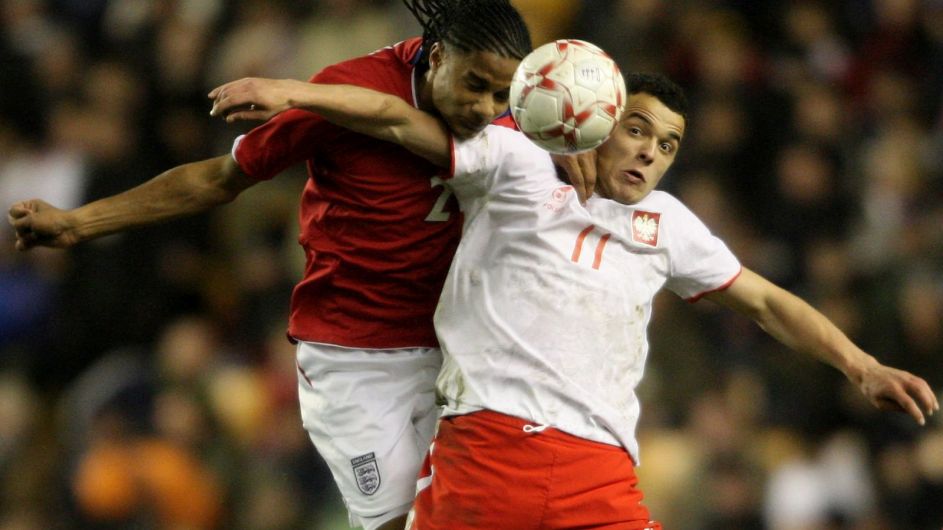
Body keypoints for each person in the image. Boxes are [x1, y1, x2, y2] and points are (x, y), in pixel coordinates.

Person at [204, 72, 939, 529]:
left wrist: (861, 365)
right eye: (638, 128)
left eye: (669, 144)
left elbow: (769, 304)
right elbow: (398, 120)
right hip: (489, 455)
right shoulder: (517, 165)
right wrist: (297, 93)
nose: (651, 151)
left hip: (602, 475)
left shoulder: (669, 225)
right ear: (594, 124)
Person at [6, 2, 534, 529]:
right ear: (437, 56)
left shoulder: (525, 111)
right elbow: (218, 180)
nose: (487, 109)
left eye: (501, 94)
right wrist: (80, 223)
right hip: (356, 355)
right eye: (475, 86)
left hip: (457, 348)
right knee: (397, 522)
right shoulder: (347, 90)